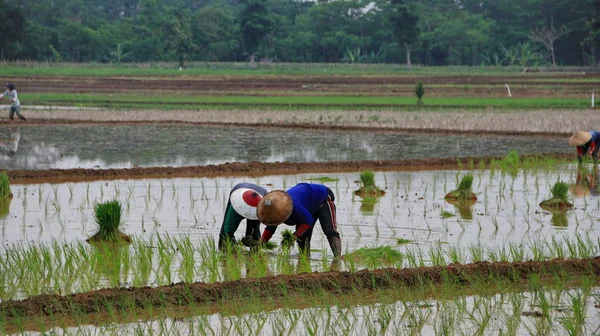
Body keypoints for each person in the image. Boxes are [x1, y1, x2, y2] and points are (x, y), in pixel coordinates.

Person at [256, 183, 342, 257]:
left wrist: (293, 237)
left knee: (329, 230)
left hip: (322, 196)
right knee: (302, 237)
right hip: (306, 204)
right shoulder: (274, 213)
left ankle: (338, 258)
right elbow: (269, 230)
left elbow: (308, 221)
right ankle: (305, 257)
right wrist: (258, 246)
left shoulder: (293, 207)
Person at [218, 182, 268, 251]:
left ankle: (255, 253)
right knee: (224, 234)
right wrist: (232, 241)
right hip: (238, 191)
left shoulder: (260, 207)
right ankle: (223, 249)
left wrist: (249, 236)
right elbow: (227, 230)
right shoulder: (236, 206)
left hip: (259, 200)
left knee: (255, 235)